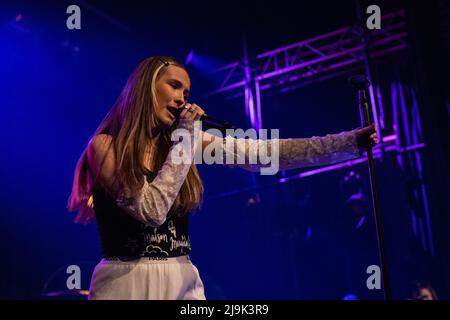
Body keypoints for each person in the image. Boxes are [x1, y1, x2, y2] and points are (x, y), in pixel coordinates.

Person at [67, 56, 378, 300]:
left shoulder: (184, 142)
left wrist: (347, 143)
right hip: (126, 282)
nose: (181, 98)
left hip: (181, 275)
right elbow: (150, 209)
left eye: (186, 92)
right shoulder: (106, 146)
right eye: (174, 86)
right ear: (145, 87)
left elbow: (262, 155)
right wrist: (187, 140)